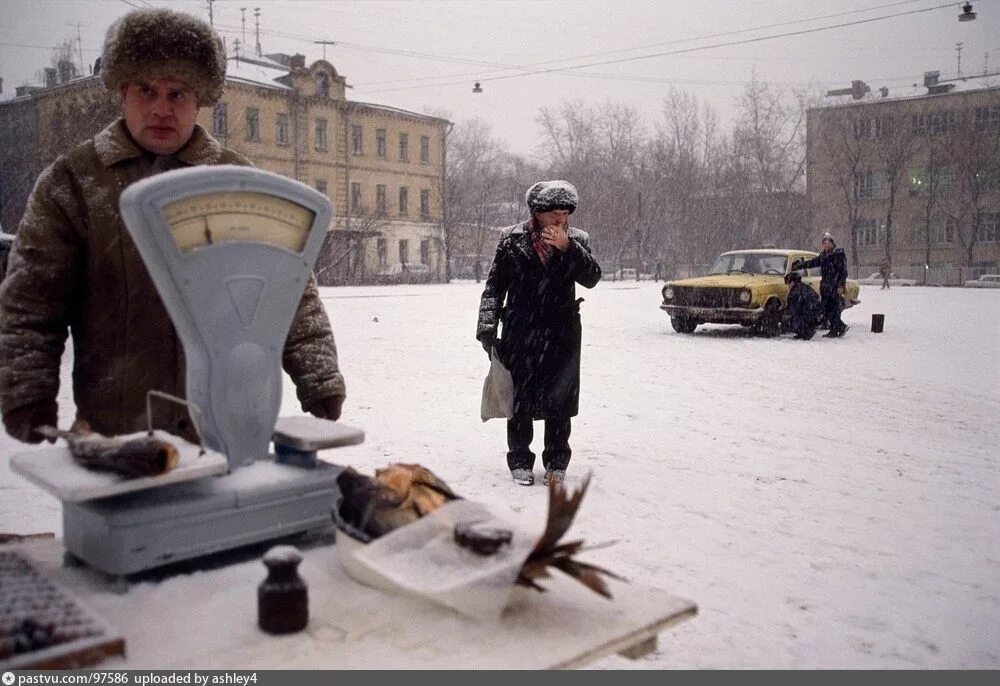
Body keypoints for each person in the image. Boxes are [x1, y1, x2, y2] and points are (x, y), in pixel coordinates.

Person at [0, 8, 346, 445]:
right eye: (147, 90)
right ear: (122, 91)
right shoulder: (74, 183)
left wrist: (319, 376)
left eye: (178, 93)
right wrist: (27, 392)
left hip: (226, 428)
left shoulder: (236, 181)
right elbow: (31, 302)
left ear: (199, 99)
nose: (162, 109)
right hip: (122, 436)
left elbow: (288, 287)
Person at [476, 181, 602, 487]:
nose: (561, 220)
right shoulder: (511, 240)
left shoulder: (577, 240)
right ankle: (520, 459)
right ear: (538, 213)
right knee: (519, 398)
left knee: (560, 400)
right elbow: (494, 287)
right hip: (521, 330)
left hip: (562, 333)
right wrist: (487, 328)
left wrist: (567, 248)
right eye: (554, 214)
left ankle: (556, 462)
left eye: (566, 213)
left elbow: (592, 277)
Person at [792, 232, 849, 338]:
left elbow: (843, 272)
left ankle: (840, 327)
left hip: (834, 286)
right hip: (825, 286)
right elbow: (813, 263)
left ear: (832, 243)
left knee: (833, 308)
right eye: (824, 243)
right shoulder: (824, 255)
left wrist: (841, 285)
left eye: (828, 242)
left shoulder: (838, 255)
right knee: (827, 309)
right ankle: (835, 329)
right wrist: (799, 266)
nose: (826, 245)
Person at [783, 271, 821, 340]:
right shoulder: (804, 286)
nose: (788, 286)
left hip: (808, 315)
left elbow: (792, 309)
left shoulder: (795, 292)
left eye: (788, 283)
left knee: (789, 322)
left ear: (792, 282)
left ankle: (806, 331)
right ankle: (803, 331)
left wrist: (783, 312)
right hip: (815, 314)